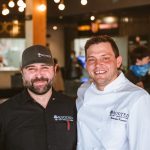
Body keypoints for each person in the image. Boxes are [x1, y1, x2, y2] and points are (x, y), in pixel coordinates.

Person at [76, 35, 150, 150]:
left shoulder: (138, 98)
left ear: (118, 61)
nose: (98, 64)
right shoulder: (83, 91)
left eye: (105, 58)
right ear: (86, 64)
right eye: (91, 59)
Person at [0, 45, 77, 150]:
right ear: (22, 72)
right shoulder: (4, 112)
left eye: (44, 67)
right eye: (31, 69)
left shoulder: (72, 107)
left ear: (54, 70)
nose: (39, 75)